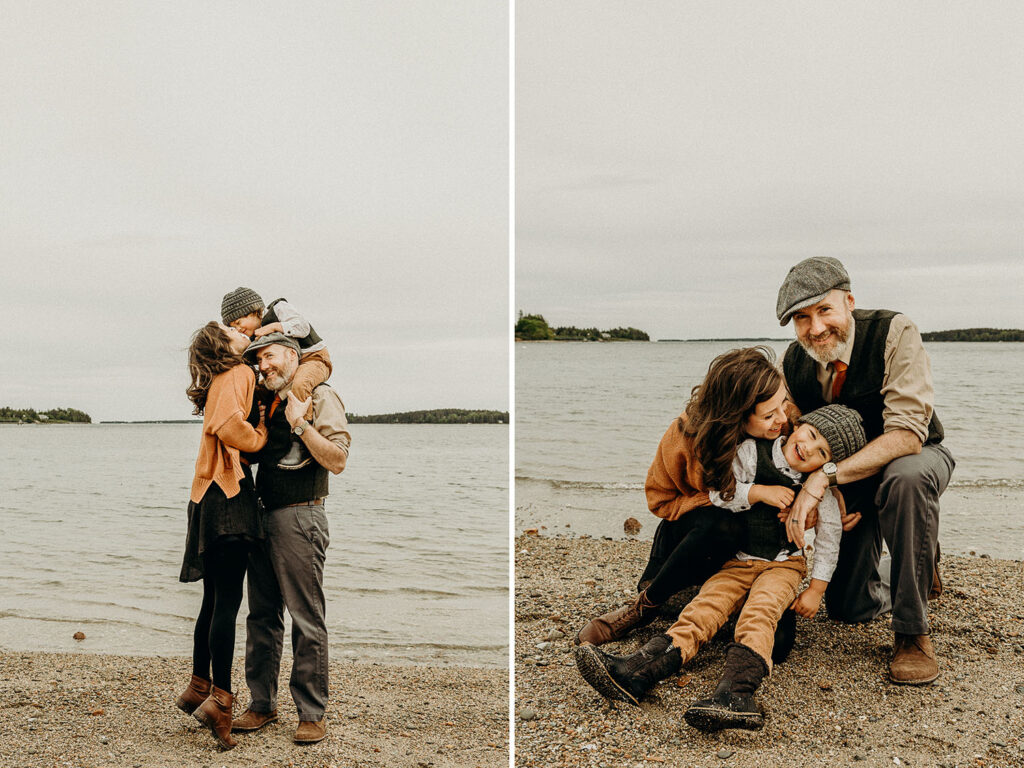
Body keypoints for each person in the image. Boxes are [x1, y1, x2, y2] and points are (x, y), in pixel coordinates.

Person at [575, 404, 866, 733]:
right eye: (811, 435)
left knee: (760, 614)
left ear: (827, 465)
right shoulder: (751, 452)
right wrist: (757, 492)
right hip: (739, 560)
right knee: (701, 610)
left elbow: (829, 540)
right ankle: (637, 673)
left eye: (821, 452)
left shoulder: (820, 491)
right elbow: (721, 494)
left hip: (783, 566)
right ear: (798, 426)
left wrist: (816, 589)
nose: (808, 448)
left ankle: (736, 695)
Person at [777, 257, 955, 684]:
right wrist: (819, 485)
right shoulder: (795, 360)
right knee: (848, 608)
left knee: (906, 477)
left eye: (824, 310)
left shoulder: (895, 332)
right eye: (802, 318)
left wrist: (825, 478)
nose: (815, 328)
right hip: (849, 479)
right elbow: (796, 430)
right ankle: (920, 560)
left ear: (849, 302)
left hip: (917, 459)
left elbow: (909, 434)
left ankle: (913, 633)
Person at [574, 346, 791, 650]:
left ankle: (720, 603)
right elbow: (659, 500)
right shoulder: (687, 435)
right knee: (725, 524)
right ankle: (641, 609)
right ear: (736, 417)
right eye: (769, 415)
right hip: (698, 538)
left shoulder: (787, 430)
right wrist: (717, 499)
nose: (782, 417)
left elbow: (820, 459)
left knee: (779, 645)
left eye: (784, 403)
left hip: (756, 553)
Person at [229, 332, 351, 745]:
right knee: (261, 617)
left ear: (293, 355)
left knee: (306, 617)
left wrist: (301, 422)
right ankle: (261, 704)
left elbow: (337, 460)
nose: (264, 365)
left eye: (269, 356)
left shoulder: (321, 395)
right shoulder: (266, 399)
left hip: (302, 517)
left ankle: (312, 713)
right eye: (259, 359)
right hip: (261, 518)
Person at [176, 322, 268, 750]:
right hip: (229, 497)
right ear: (224, 346)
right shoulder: (240, 372)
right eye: (231, 332)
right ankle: (222, 703)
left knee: (213, 600)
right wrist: (260, 437)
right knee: (227, 604)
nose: (240, 333)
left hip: (206, 496)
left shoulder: (219, 377)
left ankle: (199, 686)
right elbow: (229, 426)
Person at [220, 287, 333, 468]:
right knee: (259, 391)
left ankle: (300, 442)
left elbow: (303, 327)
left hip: (314, 358)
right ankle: (252, 441)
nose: (239, 329)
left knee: (300, 385)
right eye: (233, 327)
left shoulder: (279, 309)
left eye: (239, 322)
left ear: (255, 311)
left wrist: (274, 326)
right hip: (292, 364)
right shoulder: (255, 335)